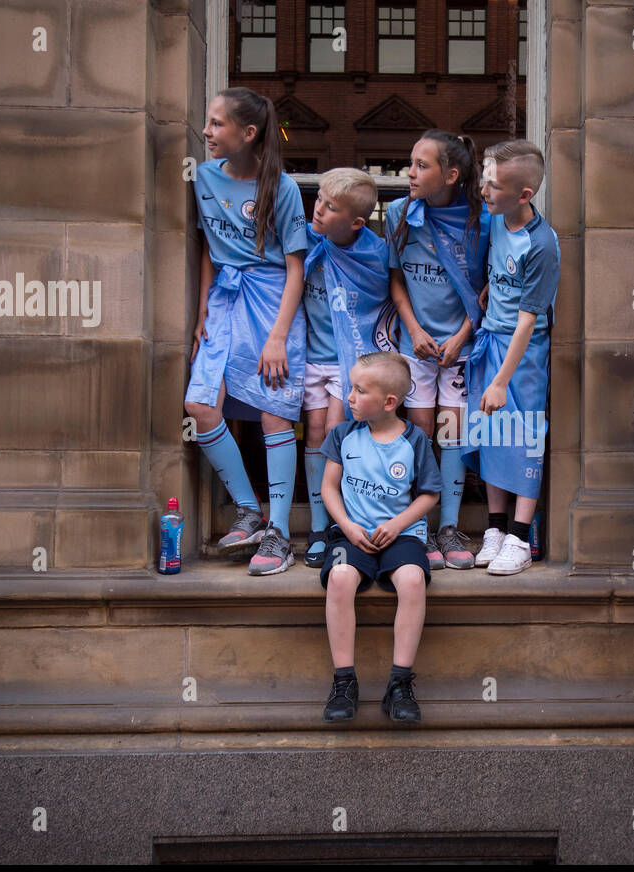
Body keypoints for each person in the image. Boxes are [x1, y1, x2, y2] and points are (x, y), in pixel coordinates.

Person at [185, 87, 307, 576]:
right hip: (224, 301)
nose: (206, 132)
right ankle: (248, 509)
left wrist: (278, 335)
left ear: (247, 134)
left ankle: (278, 533)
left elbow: (297, 267)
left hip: (273, 300)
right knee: (199, 405)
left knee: (273, 411)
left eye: (216, 124)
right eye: (207, 122)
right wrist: (200, 313)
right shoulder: (203, 178)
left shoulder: (283, 188)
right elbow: (207, 249)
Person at [385, 131, 489, 571]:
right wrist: (413, 329)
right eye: (411, 162)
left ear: (451, 175)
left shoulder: (483, 221)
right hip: (417, 344)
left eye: (421, 165)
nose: (410, 173)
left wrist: (462, 336)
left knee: (453, 432)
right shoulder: (398, 214)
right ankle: (419, 527)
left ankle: (449, 527)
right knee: (421, 430)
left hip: (460, 346)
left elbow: (489, 289)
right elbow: (395, 279)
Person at [318, 352, 441, 724]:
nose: (349, 396)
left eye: (359, 390)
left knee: (413, 580)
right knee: (339, 578)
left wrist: (399, 523)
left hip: (401, 536)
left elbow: (429, 494)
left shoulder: (414, 441)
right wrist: (348, 526)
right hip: (350, 533)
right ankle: (344, 682)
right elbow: (328, 488)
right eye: (350, 387)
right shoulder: (342, 435)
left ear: (389, 402)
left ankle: (399, 684)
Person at [465, 139, 558, 575]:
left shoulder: (541, 244)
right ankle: (496, 529)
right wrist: (489, 288)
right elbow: (497, 273)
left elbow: (527, 321)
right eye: (484, 179)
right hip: (489, 339)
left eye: (494, 185)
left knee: (523, 439)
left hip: (522, 354)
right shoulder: (495, 218)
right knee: (490, 436)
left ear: (524, 195)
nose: (484, 190)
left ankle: (520, 537)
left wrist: (502, 380)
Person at [300, 168, 391, 569]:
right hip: (312, 355)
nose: (318, 210)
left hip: (349, 360)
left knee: (335, 434)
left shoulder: (375, 253)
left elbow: (383, 304)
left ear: (356, 222)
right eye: (318, 199)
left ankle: (336, 525)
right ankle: (319, 525)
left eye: (330, 206)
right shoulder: (305, 239)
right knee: (315, 431)